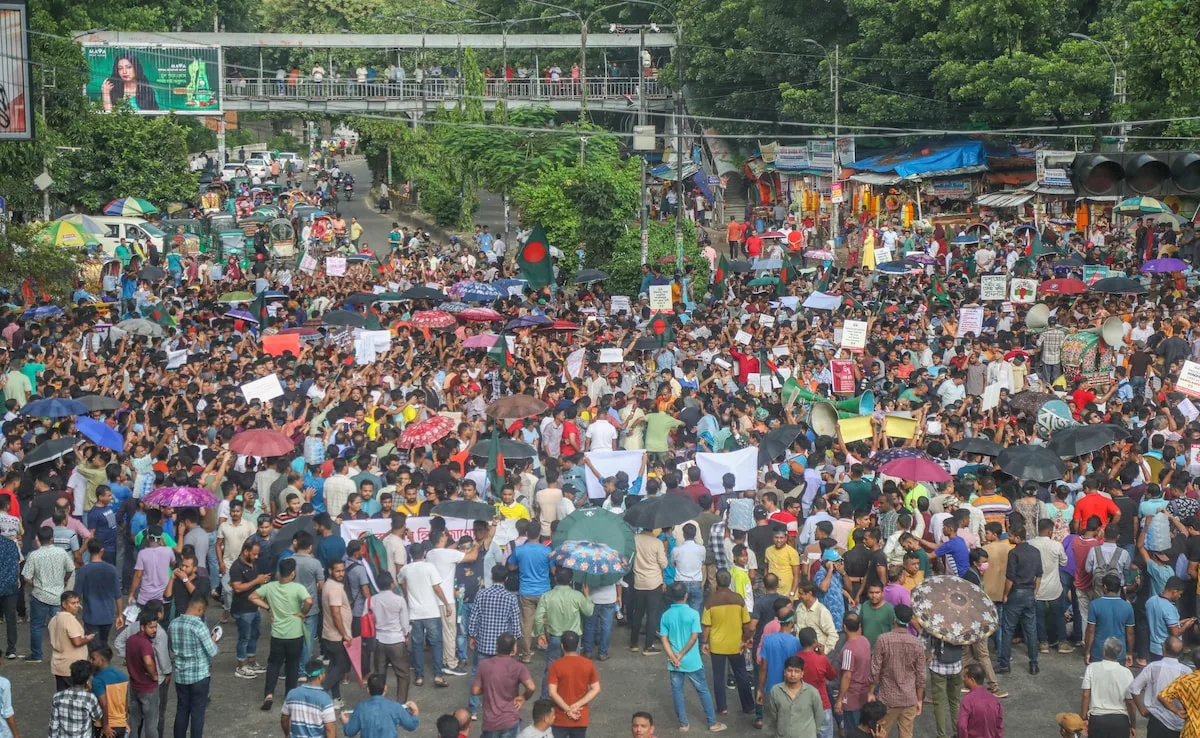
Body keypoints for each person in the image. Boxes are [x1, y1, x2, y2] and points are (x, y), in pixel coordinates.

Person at [658, 582, 727, 732]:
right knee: (702, 690)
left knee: (677, 691)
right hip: (692, 660)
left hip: (674, 662)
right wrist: (682, 654)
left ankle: (683, 723)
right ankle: (712, 722)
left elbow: (664, 638)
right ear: (686, 595)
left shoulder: (666, 615)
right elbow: (694, 637)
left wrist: (673, 656)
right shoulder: (693, 614)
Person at [249, 556, 313, 711]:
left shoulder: (270, 587)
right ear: (292, 574)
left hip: (277, 634)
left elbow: (252, 596)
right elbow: (309, 601)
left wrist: (268, 607)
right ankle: (289, 696)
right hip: (295, 634)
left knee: (274, 664)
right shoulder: (298, 588)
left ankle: (269, 694)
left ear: (279, 572)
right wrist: (302, 613)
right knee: (292, 666)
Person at [399, 542, 453, 688]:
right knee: (436, 644)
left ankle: (419, 677)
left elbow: (401, 582)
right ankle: (438, 675)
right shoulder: (430, 567)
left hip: (415, 614)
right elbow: (436, 588)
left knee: (417, 645)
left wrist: (406, 594)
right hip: (431, 612)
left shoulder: (405, 569)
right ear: (424, 552)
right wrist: (447, 604)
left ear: (410, 554)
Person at [533, 568, 594, 697]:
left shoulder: (547, 596)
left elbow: (538, 617)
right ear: (571, 580)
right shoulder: (577, 595)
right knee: (573, 670)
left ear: (555, 579)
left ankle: (545, 697)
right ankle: (572, 696)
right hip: (574, 639)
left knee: (550, 669)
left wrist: (540, 633)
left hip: (555, 637)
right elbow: (589, 612)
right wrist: (587, 596)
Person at [701, 570, 754, 716]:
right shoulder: (738, 599)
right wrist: (745, 640)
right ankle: (748, 706)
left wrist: (704, 642)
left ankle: (722, 707)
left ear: (716, 582)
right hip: (736, 644)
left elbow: (707, 626)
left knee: (718, 677)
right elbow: (747, 624)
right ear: (730, 581)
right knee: (742, 675)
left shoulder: (710, 601)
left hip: (717, 645)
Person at [868, 605, 925, 738]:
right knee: (906, 735)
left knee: (881, 733)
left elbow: (875, 670)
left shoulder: (883, 639)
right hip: (909, 698)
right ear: (910, 620)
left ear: (894, 619)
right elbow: (921, 676)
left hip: (887, 698)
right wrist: (920, 699)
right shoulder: (917, 643)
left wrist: (870, 691)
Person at [22, 525, 74, 663]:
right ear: (52, 539)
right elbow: (70, 568)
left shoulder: (34, 555)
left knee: (36, 626)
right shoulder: (61, 552)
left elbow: (26, 577)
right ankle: (62, 653)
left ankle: (37, 655)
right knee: (59, 627)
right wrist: (64, 581)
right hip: (58, 595)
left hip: (40, 595)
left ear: (38, 538)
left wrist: (37, 585)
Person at [995, 525, 1042, 675]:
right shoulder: (1035, 552)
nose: (1008, 538)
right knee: (1031, 629)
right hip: (1029, 592)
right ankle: (1033, 663)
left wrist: (1005, 594)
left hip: (1016, 592)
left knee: (1007, 629)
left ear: (1017, 537)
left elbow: (1010, 578)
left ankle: (1004, 664)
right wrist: (1035, 592)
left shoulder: (1014, 553)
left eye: (1010, 535)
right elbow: (1039, 575)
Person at [169, 595, 218, 737]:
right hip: (199, 675)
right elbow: (212, 651)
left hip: (181, 676)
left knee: (182, 710)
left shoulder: (173, 624)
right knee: (197, 714)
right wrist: (213, 639)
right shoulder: (199, 626)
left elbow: (172, 648)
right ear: (199, 609)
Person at [471, 632, 535, 738]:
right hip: (511, 719)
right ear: (514, 648)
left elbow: (475, 691)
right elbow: (531, 687)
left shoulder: (484, 665)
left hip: (491, 722)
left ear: (497, 647)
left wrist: (487, 687)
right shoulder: (518, 667)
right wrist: (523, 697)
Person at [1128, 636, 1189, 738]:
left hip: (1157, 721)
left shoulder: (1153, 667)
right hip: (1179, 722)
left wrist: (1142, 710)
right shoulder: (1187, 671)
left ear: (1163, 649)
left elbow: (1134, 688)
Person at [546, 630, 601, 738]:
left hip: (560, 717)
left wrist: (567, 709)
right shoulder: (588, 664)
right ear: (577, 645)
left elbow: (552, 693)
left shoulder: (555, 666)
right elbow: (596, 689)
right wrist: (577, 705)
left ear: (562, 646)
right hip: (580, 715)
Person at [1081, 637, 1136, 738]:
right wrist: (1133, 724)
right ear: (1119, 653)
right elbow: (1130, 702)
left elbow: (1086, 695)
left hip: (1097, 719)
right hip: (1120, 721)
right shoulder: (1126, 673)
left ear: (1104, 651)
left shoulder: (1092, 668)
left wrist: (1084, 718)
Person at [370, 571, 411, 704]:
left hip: (379, 640)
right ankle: (400, 704)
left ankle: (379, 702)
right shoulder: (399, 600)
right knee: (403, 674)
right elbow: (405, 624)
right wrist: (406, 635)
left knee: (380, 674)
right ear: (392, 584)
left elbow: (368, 620)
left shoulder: (371, 600)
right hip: (396, 640)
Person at [230, 538, 269, 677]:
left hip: (254, 607)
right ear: (245, 551)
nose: (256, 557)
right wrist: (256, 581)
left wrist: (262, 580)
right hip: (242, 608)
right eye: (254, 554)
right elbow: (237, 587)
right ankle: (241, 665)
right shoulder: (236, 567)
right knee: (244, 637)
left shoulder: (252, 564)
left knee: (255, 634)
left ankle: (251, 661)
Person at [75, 538, 122, 648]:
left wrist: (74, 613)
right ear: (102, 550)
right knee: (104, 643)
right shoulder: (111, 569)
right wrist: (119, 615)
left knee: (93, 646)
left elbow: (76, 594)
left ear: (88, 551)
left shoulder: (84, 570)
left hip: (91, 616)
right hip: (108, 615)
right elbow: (118, 595)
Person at [340, 672, 420, 737]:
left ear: (368, 690)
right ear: (385, 688)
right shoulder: (395, 707)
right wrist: (415, 712)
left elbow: (350, 732)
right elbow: (411, 726)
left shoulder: (361, 708)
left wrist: (346, 722)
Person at [763, 655, 824, 738]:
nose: (793, 674)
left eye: (797, 671)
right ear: (784, 672)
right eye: (789, 670)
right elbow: (774, 716)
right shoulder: (776, 690)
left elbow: (819, 716)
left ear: (802, 673)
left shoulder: (812, 692)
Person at [1085, 574, 1135, 668]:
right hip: (1119, 652)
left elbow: (1090, 630)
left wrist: (1087, 651)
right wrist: (1130, 653)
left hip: (1098, 652)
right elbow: (1130, 633)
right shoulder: (1128, 607)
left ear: (1105, 587)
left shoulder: (1094, 605)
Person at [49, 591, 94, 691]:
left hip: (58, 664)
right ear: (64, 604)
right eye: (73, 603)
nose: (77, 606)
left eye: (78, 602)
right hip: (72, 667)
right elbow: (77, 642)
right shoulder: (69, 619)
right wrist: (87, 639)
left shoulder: (54, 619)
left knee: (62, 695)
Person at [280, 659, 336, 738]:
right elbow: (330, 729)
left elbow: (284, 719)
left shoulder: (292, 694)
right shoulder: (325, 699)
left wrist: (287, 734)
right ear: (320, 676)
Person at [125, 610, 160, 738]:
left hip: (134, 686)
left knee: (134, 721)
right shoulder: (145, 644)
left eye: (155, 626)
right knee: (151, 724)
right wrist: (153, 675)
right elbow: (148, 661)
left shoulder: (130, 640)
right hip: (148, 688)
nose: (154, 630)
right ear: (142, 627)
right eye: (151, 627)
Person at [48, 659, 102, 738]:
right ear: (87, 680)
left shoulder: (57, 697)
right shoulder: (90, 698)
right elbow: (97, 716)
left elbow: (54, 724)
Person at [89, 645, 128, 738]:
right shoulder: (123, 676)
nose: (90, 661)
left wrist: (105, 726)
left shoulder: (98, 680)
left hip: (106, 727)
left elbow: (104, 705)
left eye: (93, 659)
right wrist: (125, 721)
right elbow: (125, 702)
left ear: (101, 661)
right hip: (121, 724)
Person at [956, 663, 1004, 738]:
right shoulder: (995, 700)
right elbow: (999, 727)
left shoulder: (967, 700)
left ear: (972, 680)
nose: (963, 679)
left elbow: (962, 726)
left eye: (965, 677)